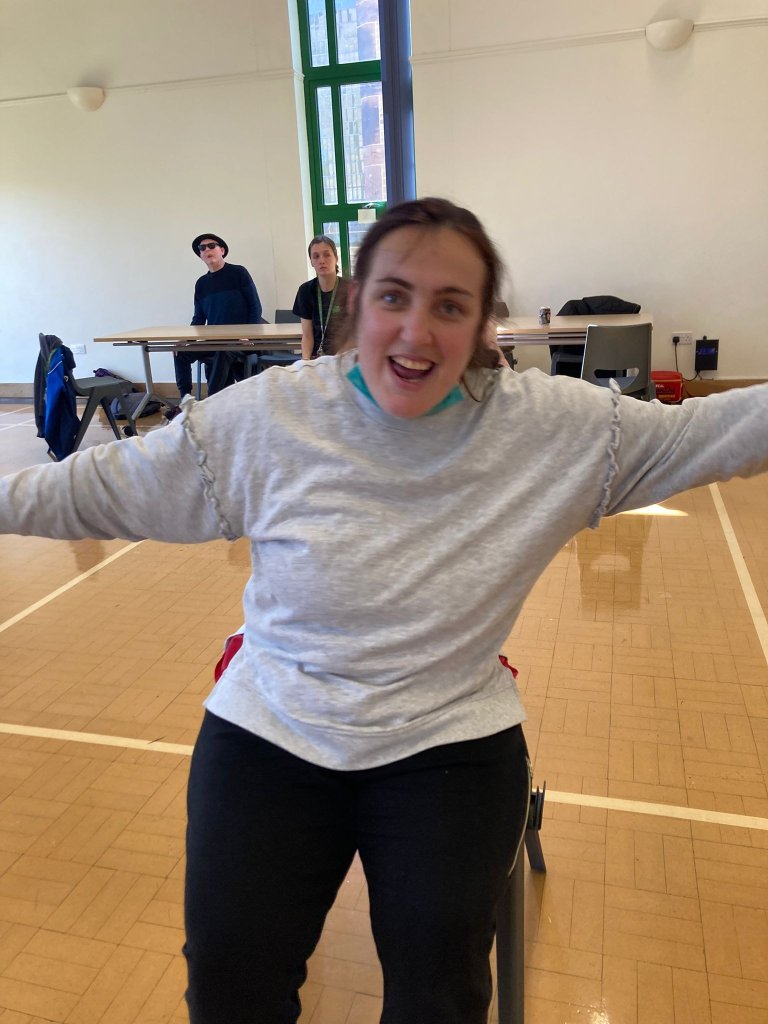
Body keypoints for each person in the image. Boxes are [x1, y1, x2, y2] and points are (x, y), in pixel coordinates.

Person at [2, 197, 768, 1024]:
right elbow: (97, 486)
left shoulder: (553, 429)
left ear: (483, 326)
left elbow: (713, 430)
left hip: (449, 737)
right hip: (274, 724)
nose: (415, 331)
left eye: (451, 306)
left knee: (440, 991)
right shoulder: (270, 418)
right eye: (394, 296)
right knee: (230, 982)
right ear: (355, 305)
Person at [171, 232, 263, 412]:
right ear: (200, 255)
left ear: (222, 250)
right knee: (180, 352)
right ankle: (185, 402)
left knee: (223, 350)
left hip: (243, 341)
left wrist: (248, 335)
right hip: (215, 341)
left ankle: (211, 404)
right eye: (202, 248)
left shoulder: (239, 273)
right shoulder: (201, 284)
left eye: (212, 246)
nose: (207, 250)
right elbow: (199, 318)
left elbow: (255, 307)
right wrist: (186, 340)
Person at [292, 234, 350, 360]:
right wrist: (306, 363)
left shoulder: (350, 289)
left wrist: (334, 362)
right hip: (317, 358)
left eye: (327, 255)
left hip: (344, 357)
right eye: (316, 256)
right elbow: (307, 336)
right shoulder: (305, 291)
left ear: (336, 258)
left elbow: (354, 335)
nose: (321, 261)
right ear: (311, 262)